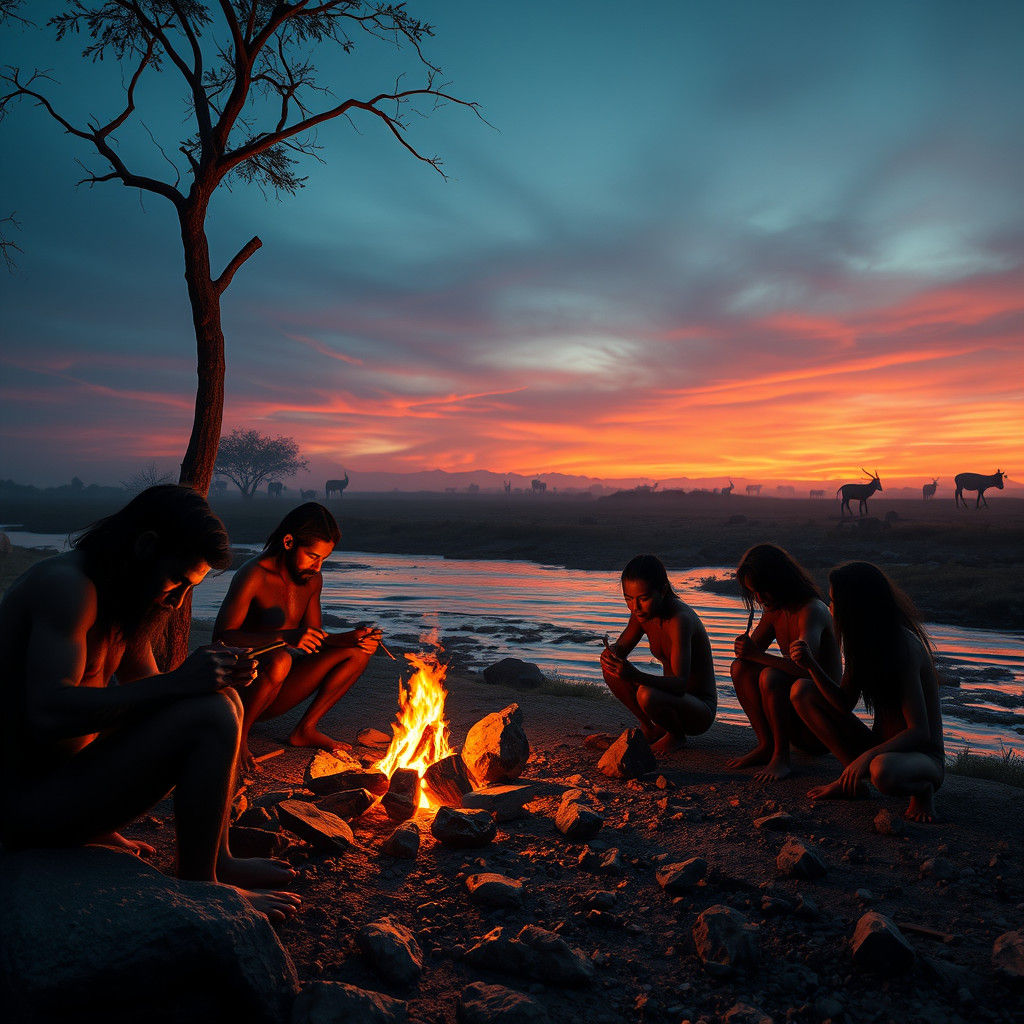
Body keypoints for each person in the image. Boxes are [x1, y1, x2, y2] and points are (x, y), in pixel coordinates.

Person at [0, 485, 298, 920]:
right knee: (209, 712)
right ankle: (202, 889)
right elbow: (46, 714)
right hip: (24, 808)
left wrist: (213, 678)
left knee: (221, 698)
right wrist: (181, 684)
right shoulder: (67, 588)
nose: (178, 601)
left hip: (68, 785)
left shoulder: (128, 598)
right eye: (177, 581)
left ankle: (219, 858)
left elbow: (154, 695)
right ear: (145, 546)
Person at [213, 502, 380, 766]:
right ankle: (238, 738)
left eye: (324, 559)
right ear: (289, 542)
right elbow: (222, 638)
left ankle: (304, 730)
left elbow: (313, 638)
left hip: (278, 688)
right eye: (313, 556)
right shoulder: (254, 574)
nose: (318, 566)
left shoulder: (312, 579)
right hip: (240, 689)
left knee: (357, 653)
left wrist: (348, 638)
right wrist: (286, 637)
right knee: (281, 659)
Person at [790, 561, 944, 822]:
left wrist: (869, 755)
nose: (830, 608)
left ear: (854, 608)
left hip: (921, 757)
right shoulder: (862, 644)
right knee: (802, 691)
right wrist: (811, 666)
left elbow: (919, 732)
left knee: (881, 769)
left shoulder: (903, 648)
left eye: (834, 601)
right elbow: (843, 703)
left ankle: (922, 791)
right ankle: (851, 781)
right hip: (881, 747)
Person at [728, 543, 841, 781]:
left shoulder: (811, 611)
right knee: (740, 668)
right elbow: (749, 656)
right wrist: (744, 649)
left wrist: (756, 655)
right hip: (795, 723)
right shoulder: (774, 611)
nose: (759, 598)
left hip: (821, 726)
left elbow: (805, 669)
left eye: (763, 590)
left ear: (780, 581)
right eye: (753, 593)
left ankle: (781, 757)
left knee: (771, 675)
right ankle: (766, 745)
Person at [600, 554, 717, 754]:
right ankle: (651, 728)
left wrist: (635, 675)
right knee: (610, 666)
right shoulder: (641, 614)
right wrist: (612, 653)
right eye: (628, 599)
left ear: (662, 590)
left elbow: (680, 685)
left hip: (698, 709)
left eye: (643, 599)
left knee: (646, 693)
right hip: (668, 702)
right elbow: (622, 648)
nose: (635, 607)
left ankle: (676, 736)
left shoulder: (680, 620)